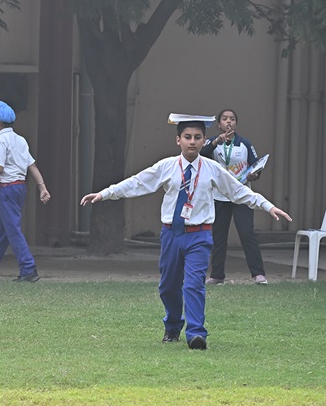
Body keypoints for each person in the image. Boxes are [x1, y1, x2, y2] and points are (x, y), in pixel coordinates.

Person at [79, 113, 291, 350]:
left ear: (204, 141)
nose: (192, 142)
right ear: (178, 140)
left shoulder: (212, 169)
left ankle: (196, 333)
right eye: (187, 137)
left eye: (197, 137)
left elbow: (239, 191)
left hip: (200, 235)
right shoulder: (167, 166)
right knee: (168, 286)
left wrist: (268, 206)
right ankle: (172, 326)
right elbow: (137, 182)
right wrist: (105, 194)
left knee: (193, 284)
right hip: (172, 234)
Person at [0, 100, 50, 282]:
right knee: (2, 232)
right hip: (20, 187)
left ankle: (28, 268)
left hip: (6, 189)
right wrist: (42, 187)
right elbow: (32, 166)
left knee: (12, 230)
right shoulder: (21, 140)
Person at [201, 109, 268, 285]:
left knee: (246, 233)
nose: (228, 122)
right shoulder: (212, 143)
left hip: (241, 195)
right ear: (219, 124)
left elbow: (256, 165)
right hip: (219, 195)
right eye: (224, 119)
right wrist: (216, 141)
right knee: (218, 235)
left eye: (232, 119)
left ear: (236, 124)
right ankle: (217, 275)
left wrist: (254, 175)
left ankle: (258, 274)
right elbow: (201, 154)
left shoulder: (244, 144)